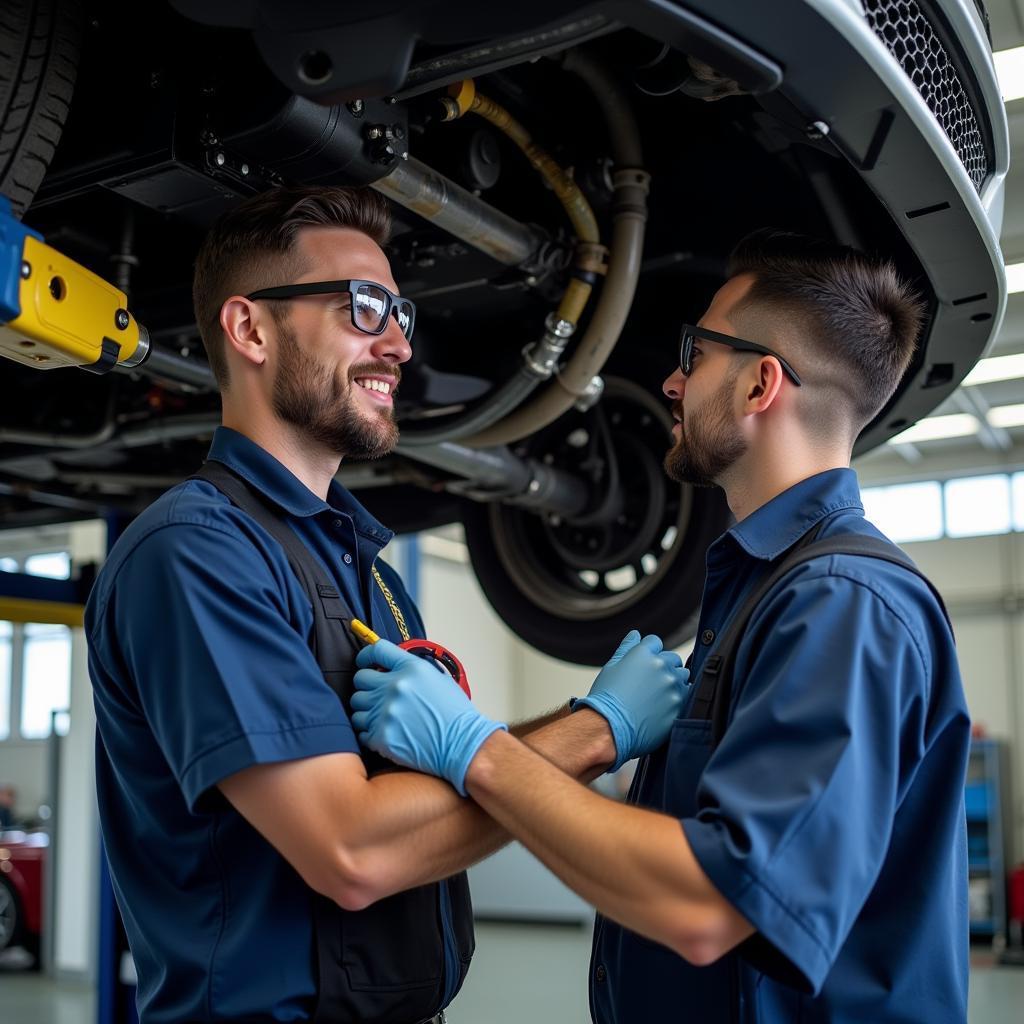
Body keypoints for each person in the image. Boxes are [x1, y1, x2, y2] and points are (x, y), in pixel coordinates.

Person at [84, 184, 688, 1024]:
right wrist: (595, 732)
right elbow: (352, 850)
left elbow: (448, 780)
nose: (400, 344)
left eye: (400, 311)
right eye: (364, 308)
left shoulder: (368, 567)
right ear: (250, 328)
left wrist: (532, 734)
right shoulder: (194, 552)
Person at [351, 230, 970, 1023]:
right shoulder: (770, 590)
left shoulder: (843, 603)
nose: (673, 382)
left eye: (697, 353)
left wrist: (477, 750)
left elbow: (712, 903)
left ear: (760, 385)